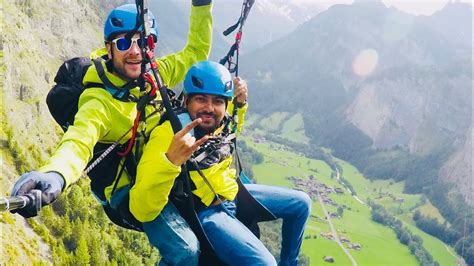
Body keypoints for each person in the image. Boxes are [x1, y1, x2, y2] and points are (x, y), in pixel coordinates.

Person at [11, 0, 213, 264]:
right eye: (122, 43)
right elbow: (78, 143)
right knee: (184, 250)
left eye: (141, 42)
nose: (133, 52)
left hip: (156, 172)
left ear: (150, 47)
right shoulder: (99, 102)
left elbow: (196, 53)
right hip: (126, 193)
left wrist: (201, 6)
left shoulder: (155, 74)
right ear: (109, 49)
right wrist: (55, 175)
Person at [131, 60, 311, 265]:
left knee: (302, 204)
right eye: (201, 99)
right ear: (187, 100)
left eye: (217, 101)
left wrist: (240, 105)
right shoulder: (170, 134)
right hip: (209, 212)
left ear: (225, 104)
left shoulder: (219, 122)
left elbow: (230, 134)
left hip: (232, 194)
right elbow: (141, 207)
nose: (209, 108)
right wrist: (170, 161)